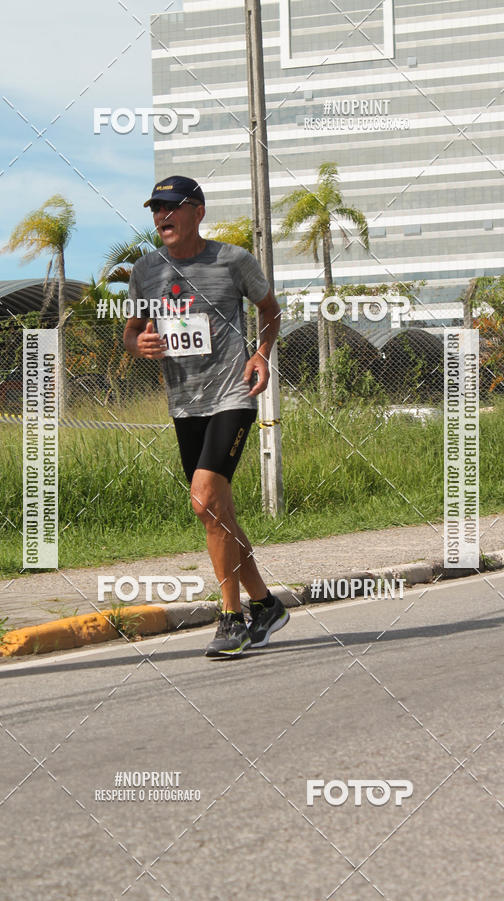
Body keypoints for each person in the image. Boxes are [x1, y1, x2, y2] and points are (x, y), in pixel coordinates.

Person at [123, 175, 289, 657]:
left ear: (197, 211)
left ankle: (231, 616)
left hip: (232, 396)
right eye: (156, 208)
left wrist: (260, 354)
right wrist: (140, 344)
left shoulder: (233, 260)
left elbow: (270, 310)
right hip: (185, 403)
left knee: (203, 500)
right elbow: (132, 332)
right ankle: (265, 604)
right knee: (215, 511)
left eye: (172, 207)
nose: (162, 216)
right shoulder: (146, 271)